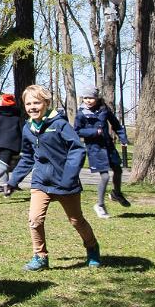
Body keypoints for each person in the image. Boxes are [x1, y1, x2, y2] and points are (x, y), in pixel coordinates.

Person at [16, 85, 100, 271]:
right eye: (28, 103)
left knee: (76, 220)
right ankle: (40, 257)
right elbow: (28, 157)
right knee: (35, 219)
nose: (32, 107)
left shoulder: (59, 124)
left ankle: (92, 247)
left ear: (46, 103)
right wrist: (14, 179)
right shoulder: (28, 128)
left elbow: (77, 149)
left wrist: (69, 177)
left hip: (65, 182)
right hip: (41, 182)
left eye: (36, 102)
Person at [75, 86, 131, 217]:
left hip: (108, 146)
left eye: (91, 98)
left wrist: (123, 138)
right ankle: (100, 205)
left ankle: (116, 193)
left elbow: (116, 124)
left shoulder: (104, 110)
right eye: (86, 98)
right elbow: (77, 131)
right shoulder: (81, 113)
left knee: (118, 170)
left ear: (97, 98)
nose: (88, 100)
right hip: (95, 149)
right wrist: (94, 132)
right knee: (105, 176)